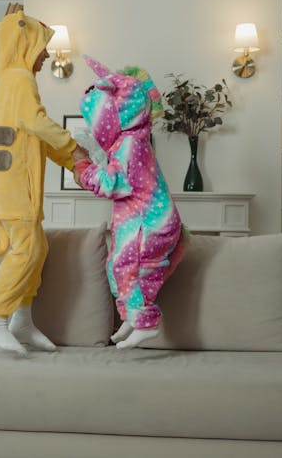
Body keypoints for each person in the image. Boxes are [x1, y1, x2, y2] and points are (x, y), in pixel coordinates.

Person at [0, 11, 89, 355]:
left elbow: (33, 136)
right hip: (12, 180)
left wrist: (72, 162)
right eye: (42, 46)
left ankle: (22, 319)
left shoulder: (12, 80)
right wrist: (74, 148)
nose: (46, 54)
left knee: (37, 247)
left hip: (10, 177)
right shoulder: (20, 78)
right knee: (27, 248)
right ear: (26, 44)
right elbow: (36, 123)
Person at [74, 56, 187, 349]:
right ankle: (131, 315)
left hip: (149, 221)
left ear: (113, 117)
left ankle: (145, 323)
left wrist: (84, 170)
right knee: (118, 265)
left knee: (128, 266)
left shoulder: (130, 144)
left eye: (96, 121)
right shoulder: (130, 141)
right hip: (141, 218)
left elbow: (114, 183)